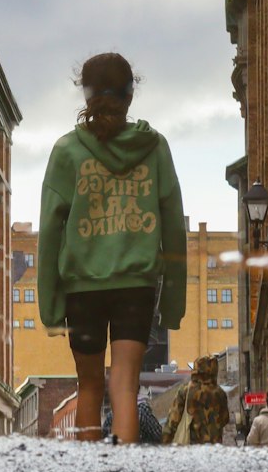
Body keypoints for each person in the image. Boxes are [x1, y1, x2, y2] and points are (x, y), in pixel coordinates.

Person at [37, 53, 187, 442]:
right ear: (130, 94)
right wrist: (173, 300)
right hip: (136, 285)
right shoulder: (154, 148)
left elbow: (50, 232)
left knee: (89, 385)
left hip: (82, 288)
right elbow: (173, 228)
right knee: (125, 385)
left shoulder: (67, 151)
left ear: (85, 95)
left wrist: (50, 304)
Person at [161, 356, 230, 445]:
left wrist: (165, 442)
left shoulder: (186, 390)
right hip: (213, 448)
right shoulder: (220, 393)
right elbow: (225, 419)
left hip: (191, 448)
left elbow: (173, 421)